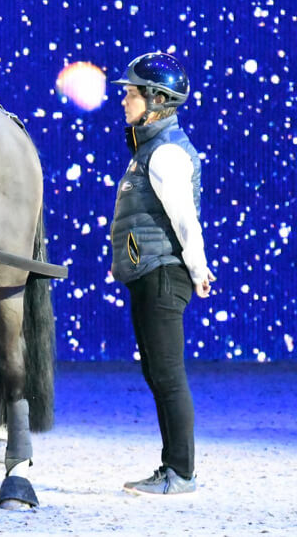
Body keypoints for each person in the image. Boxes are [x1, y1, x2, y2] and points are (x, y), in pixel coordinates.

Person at [109, 52, 214, 496]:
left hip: (163, 275)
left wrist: (199, 268)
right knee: (158, 374)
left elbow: (185, 219)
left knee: (168, 376)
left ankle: (181, 473)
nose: (124, 100)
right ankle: (173, 468)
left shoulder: (166, 152)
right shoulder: (148, 149)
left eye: (132, 93)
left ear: (156, 99)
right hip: (149, 274)